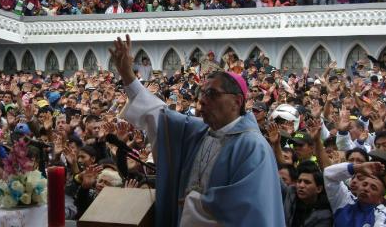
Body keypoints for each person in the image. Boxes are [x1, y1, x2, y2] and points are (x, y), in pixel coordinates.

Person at [109, 35, 284, 226]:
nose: (202, 100)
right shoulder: (200, 131)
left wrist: (193, 203)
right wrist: (127, 74)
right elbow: (157, 114)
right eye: (202, 93)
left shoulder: (253, 147)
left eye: (212, 94)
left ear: (237, 102)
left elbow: (248, 209)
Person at [324, 161, 386, 226]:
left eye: (373, 188)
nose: (366, 189)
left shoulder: (384, 215)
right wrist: (358, 167)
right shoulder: (344, 200)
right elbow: (328, 174)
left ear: (380, 199)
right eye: (364, 184)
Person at [281, 161, 333, 227]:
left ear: (319, 189)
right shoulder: (292, 192)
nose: (301, 185)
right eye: (299, 181)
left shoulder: (324, 215)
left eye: (307, 182)